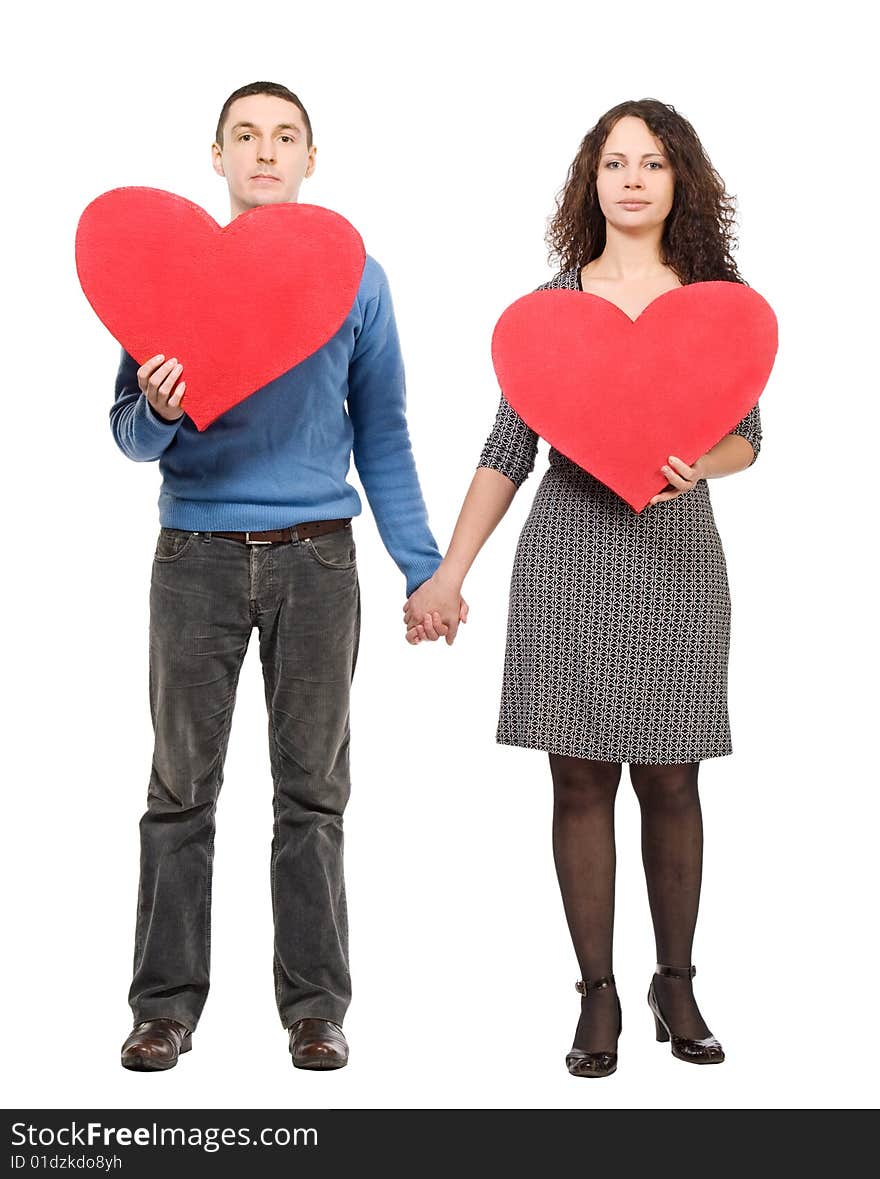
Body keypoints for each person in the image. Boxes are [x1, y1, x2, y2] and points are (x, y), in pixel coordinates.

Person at [404, 99, 763, 1077]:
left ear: (679, 179)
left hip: (675, 554)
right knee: (578, 779)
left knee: (672, 774)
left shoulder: (712, 302)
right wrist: (448, 572)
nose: (634, 178)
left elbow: (748, 439)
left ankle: (675, 981)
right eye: (615, 163)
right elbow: (505, 451)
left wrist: (701, 459)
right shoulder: (551, 309)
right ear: (590, 182)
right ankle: (596, 994)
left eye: (652, 162)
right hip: (570, 554)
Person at [112, 81, 453, 1072]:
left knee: (312, 795)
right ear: (215, 156)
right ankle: (163, 1011)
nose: (266, 151)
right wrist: (163, 409)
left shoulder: (359, 279)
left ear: (311, 159)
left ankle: (315, 1011)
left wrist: (420, 569)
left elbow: (380, 430)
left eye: (286, 136)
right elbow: (129, 437)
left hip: (317, 561)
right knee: (179, 791)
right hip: (195, 562)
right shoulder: (162, 273)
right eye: (246, 136)